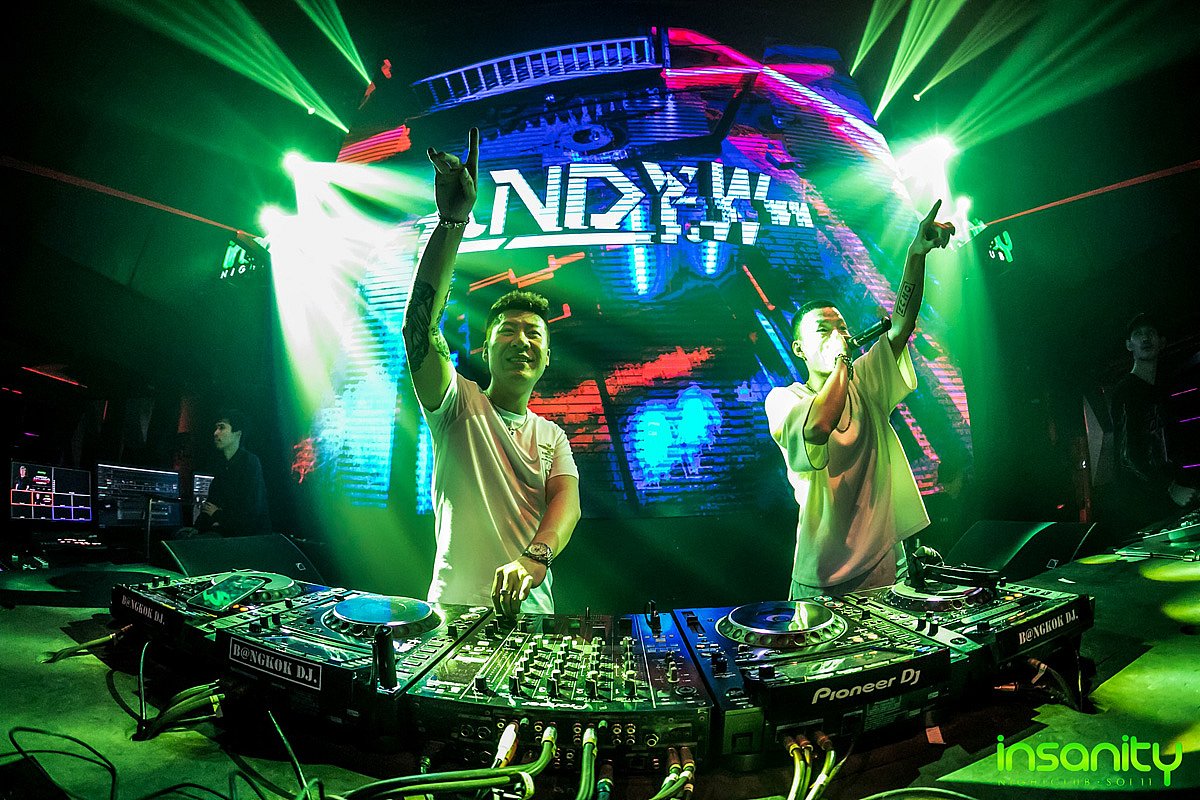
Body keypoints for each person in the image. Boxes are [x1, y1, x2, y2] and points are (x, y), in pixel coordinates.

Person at [404, 128, 581, 617]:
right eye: (509, 331)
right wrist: (452, 222)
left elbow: (567, 504)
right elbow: (418, 327)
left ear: (547, 358)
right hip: (452, 611)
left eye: (534, 334)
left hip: (534, 617)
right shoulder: (454, 403)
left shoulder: (552, 436)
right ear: (484, 349)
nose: (522, 341)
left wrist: (534, 558)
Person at [765, 201, 954, 599]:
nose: (838, 335)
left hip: (883, 562)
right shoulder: (783, 399)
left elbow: (902, 324)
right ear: (799, 349)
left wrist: (915, 254)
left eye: (842, 328)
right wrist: (841, 360)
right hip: (821, 572)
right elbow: (819, 425)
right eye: (823, 330)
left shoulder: (863, 380)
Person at [1107, 313, 1196, 534]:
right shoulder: (1126, 391)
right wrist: (1170, 487)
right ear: (1129, 345)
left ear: (1162, 341)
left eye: (1150, 333)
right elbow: (1127, 455)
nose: (1145, 338)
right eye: (1138, 334)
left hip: (1164, 503)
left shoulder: (1161, 391)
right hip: (1139, 508)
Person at [194, 410, 271, 537]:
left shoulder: (250, 463)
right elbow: (210, 506)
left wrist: (218, 515)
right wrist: (197, 529)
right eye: (216, 428)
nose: (215, 433)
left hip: (247, 538)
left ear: (238, 433)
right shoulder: (222, 466)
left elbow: (250, 513)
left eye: (221, 427)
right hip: (228, 533)